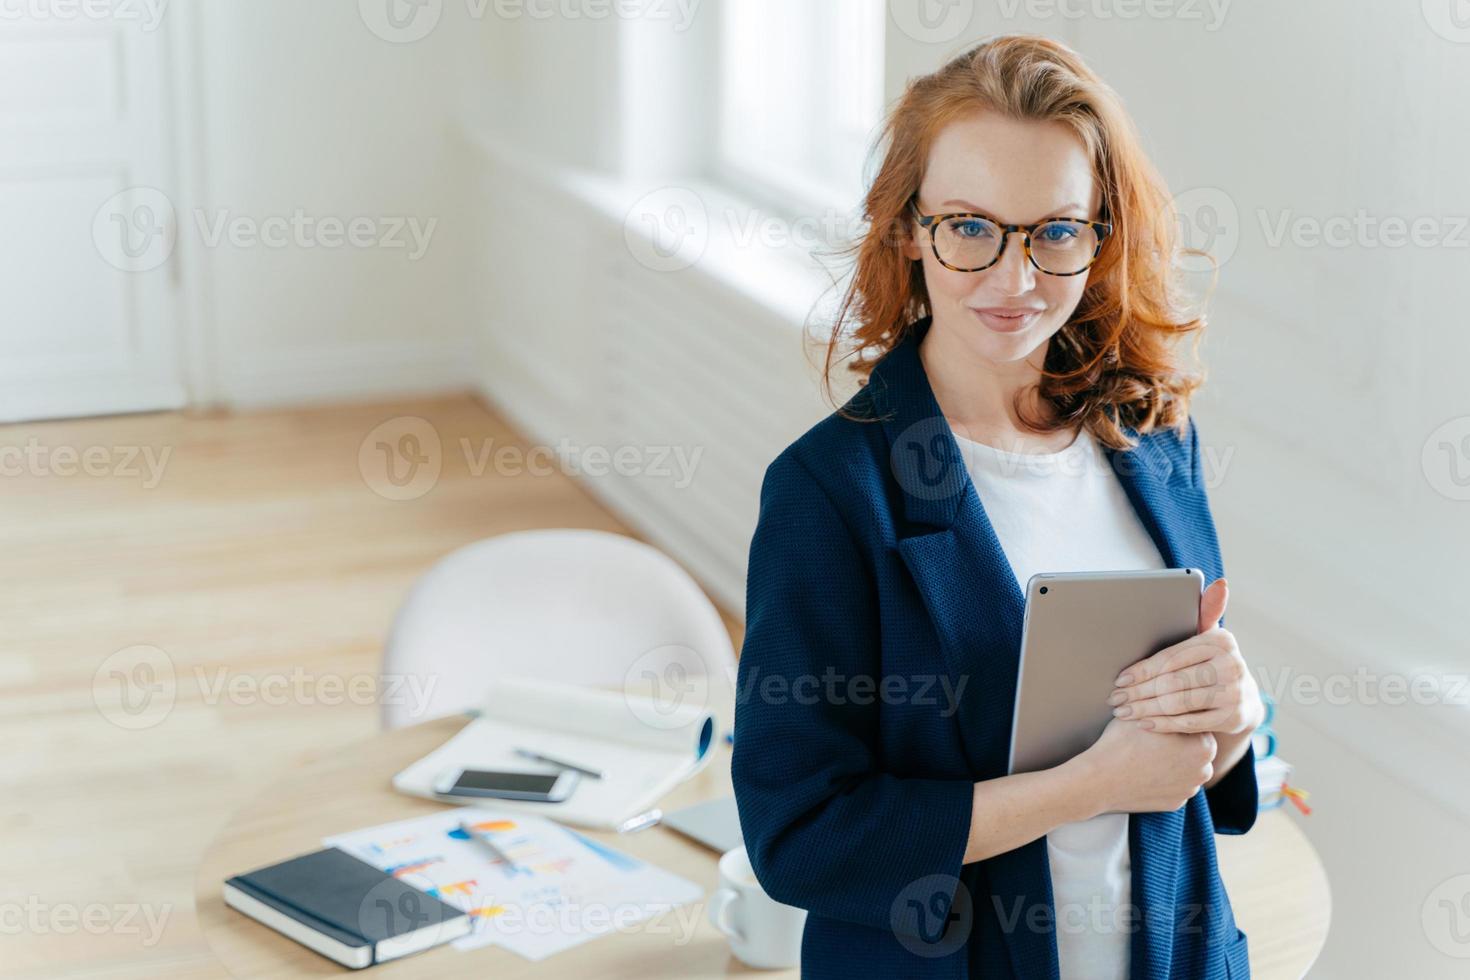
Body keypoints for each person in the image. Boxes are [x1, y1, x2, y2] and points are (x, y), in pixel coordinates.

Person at [731, 34, 1264, 980]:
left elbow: (1196, 771)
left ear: (1102, 237)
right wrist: (1084, 788)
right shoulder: (829, 493)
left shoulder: (1156, 439)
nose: (1014, 280)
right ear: (908, 228)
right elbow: (800, 836)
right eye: (970, 227)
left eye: (1055, 231)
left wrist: (1232, 718)